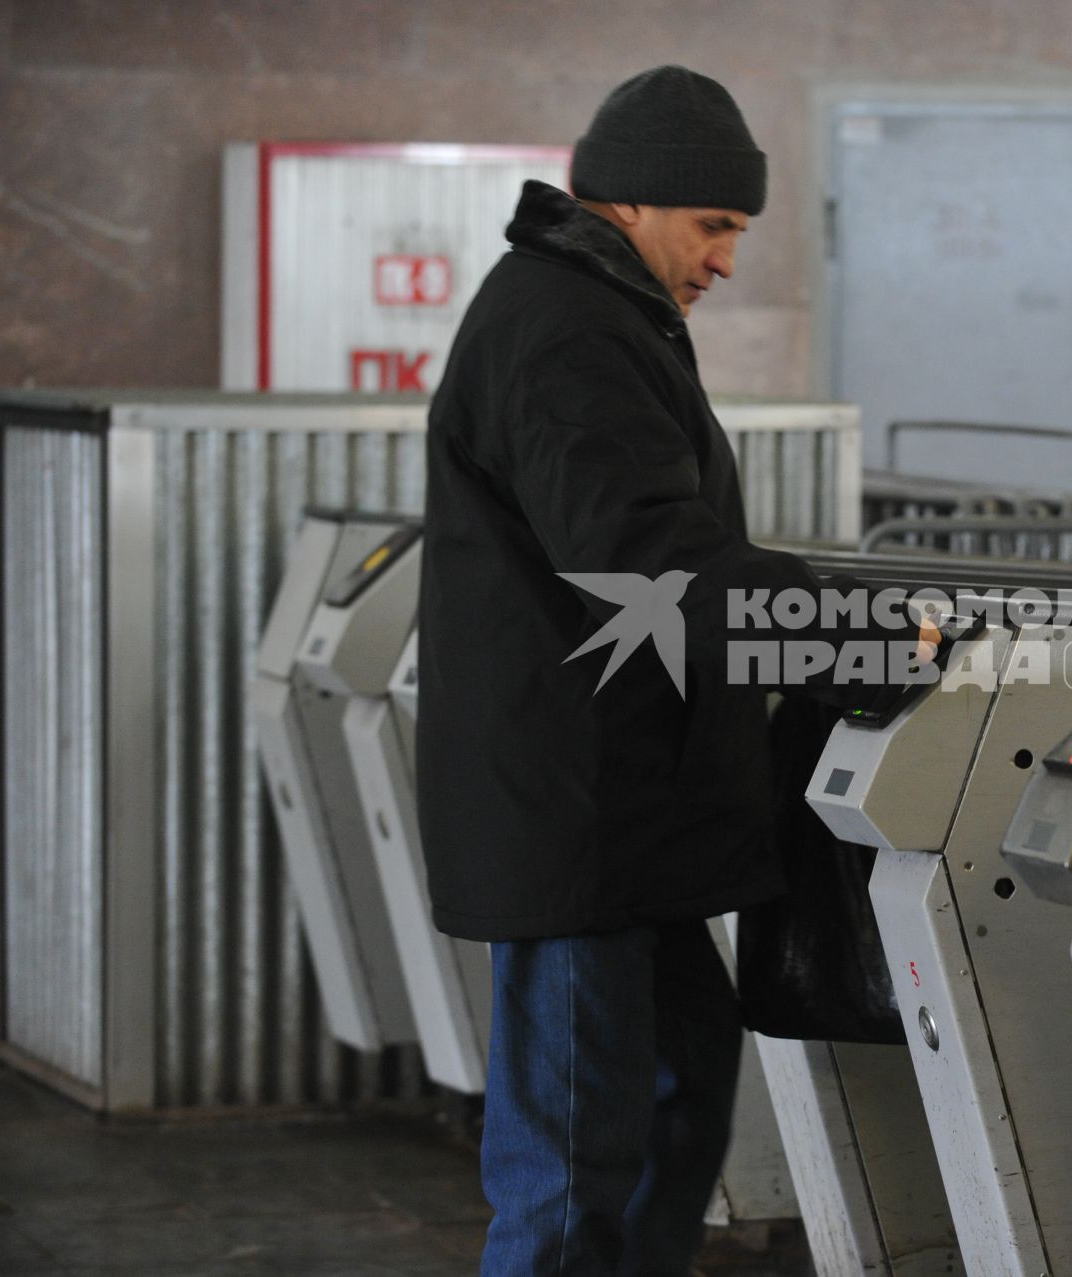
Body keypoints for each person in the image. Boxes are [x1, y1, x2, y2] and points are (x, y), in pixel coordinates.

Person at [417, 65, 930, 1275]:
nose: (727, 260)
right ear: (636, 204)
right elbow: (643, 555)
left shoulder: (596, 312)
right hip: (584, 821)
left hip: (618, 820)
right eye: (716, 226)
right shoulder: (564, 324)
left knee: (676, 1098)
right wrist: (851, 642)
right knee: (579, 1161)